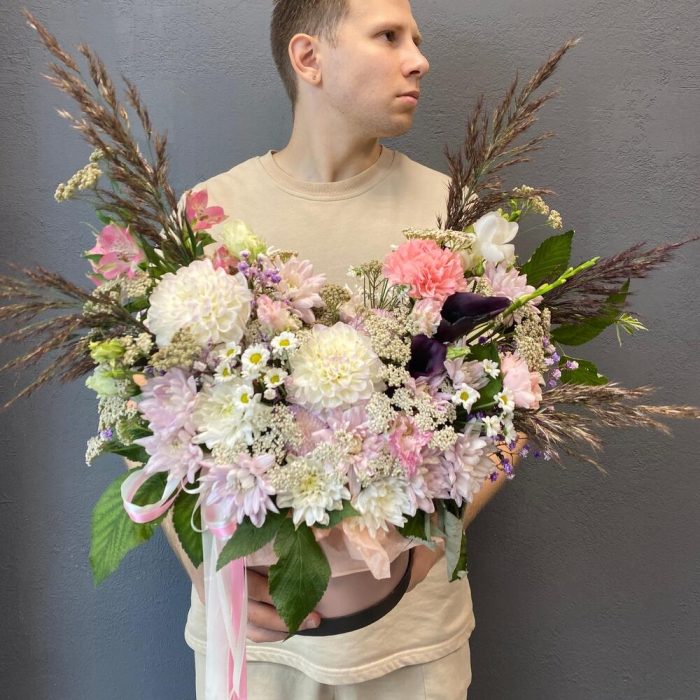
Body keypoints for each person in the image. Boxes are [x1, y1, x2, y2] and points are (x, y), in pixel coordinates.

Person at [161, 1, 524, 697]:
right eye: (388, 36)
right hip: (253, 648)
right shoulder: (208, 212)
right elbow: (148, 422)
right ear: (309, 58)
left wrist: (425, 547)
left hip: (410, 642)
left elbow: (514, 409)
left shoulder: (456, 212)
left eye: (415, 39)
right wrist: (203, 567)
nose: (418, 59)